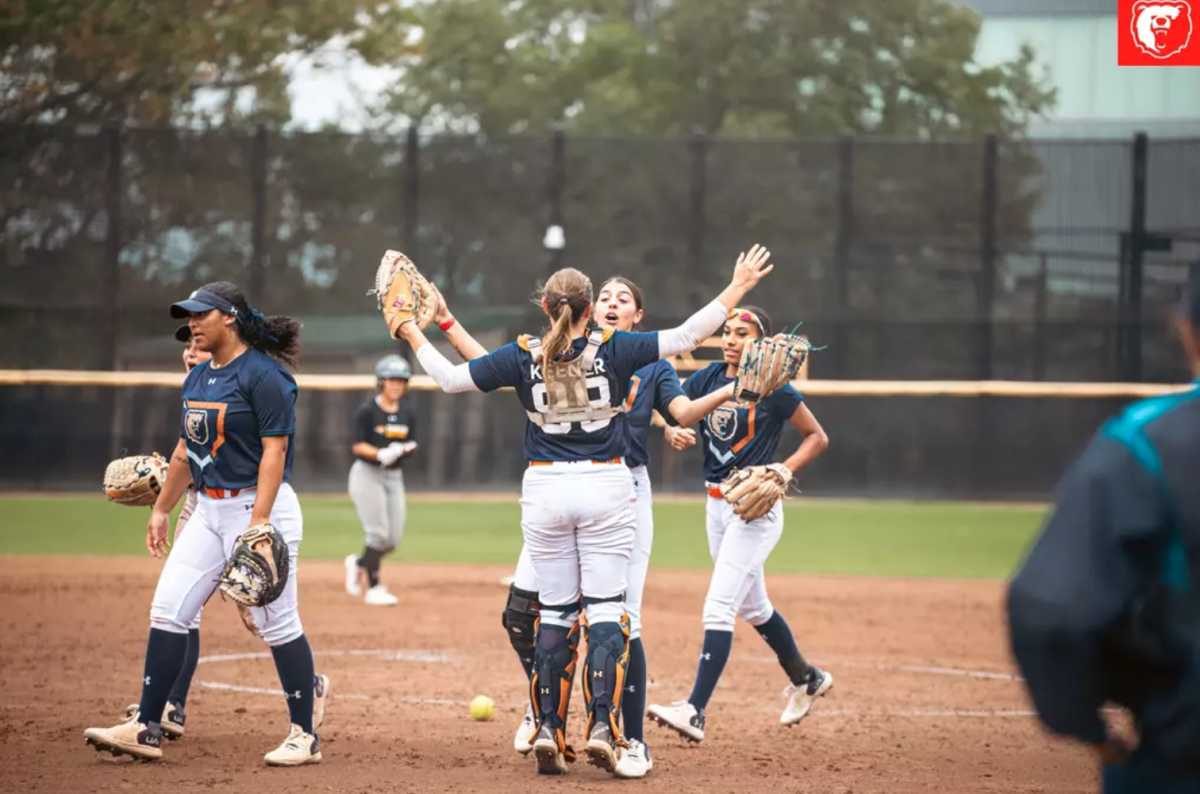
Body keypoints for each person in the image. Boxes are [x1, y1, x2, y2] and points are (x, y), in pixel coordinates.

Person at [396, 246, 774, 777]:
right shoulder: (618, 350)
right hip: (606, 485)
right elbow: (689, 335)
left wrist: (413, 333)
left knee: (552, 613)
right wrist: (737, 287)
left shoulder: (525, 353)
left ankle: (548, 724)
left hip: (544, 490)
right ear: (589, 305)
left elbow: (454, 379)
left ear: (547, 305)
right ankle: (603, 727)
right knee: (605, 612)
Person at [84, 281, 324, 767]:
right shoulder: (197, 379)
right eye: (188, 317)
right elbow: (184, 452)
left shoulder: (265, 377)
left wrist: (258, 525)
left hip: (261, 507)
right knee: (169, 610)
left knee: (276, 622)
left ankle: (304, 733)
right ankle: (147, 726)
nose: (192, 324)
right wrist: (161, 509)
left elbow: (274, 452)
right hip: (209, 510)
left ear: (229, 318)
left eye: (200, 315)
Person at [1007, 263, 1200, 794]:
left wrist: (1089, 729)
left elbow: (1051, 615)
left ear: (1185, 328)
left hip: (1180, 755)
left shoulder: (1144, 444)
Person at [647, 306, 832, 743]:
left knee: (719, 607)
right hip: (716, 504)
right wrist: (670, 429)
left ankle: (694, 711)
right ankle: (807, 678)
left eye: (742, 333)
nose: (731, 339)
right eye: (727, 332)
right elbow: (672, 408)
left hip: (755, 509)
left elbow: (818, 437)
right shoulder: (710, 378)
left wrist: (784, 471)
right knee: (754, 608)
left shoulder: (775, 388)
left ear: (761, 343)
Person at [344, 354, 419, 607]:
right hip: (368, 474)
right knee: (377, 534)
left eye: (400, 380)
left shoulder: (408, 411)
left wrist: (402, 449)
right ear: (381, 382)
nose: (396, 385)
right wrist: (379, 453)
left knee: (392, 540)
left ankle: (358, 563)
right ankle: (374, 587)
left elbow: (413, 442)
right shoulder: (367, 411)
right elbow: (357, 445)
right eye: (391, 380)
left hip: (393, 476)